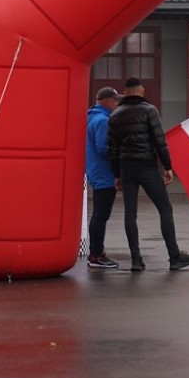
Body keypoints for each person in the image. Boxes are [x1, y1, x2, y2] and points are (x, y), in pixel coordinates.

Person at [107, 77, 189, 272]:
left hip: (126, 168)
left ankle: (136, 260)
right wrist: (167, 167)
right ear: (142, 91)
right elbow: (160, 141)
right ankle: (174, 257)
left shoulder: (115, 115)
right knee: (164, 208)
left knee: (130, 213)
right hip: (147, 166)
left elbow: (112, 149)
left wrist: (117, 174)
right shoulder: (150, 110)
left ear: (125, 92)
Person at [85, 87, 121, 269]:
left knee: (99, 214)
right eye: (115, 101)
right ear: (107, 101)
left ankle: (97, 252)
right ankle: (96, 254)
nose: (117, 104)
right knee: (101, 215)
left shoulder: (91, 117)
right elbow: (104, 148)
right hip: (104, 174)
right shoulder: (103, 120)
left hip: (96, 171)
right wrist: (121, 157)